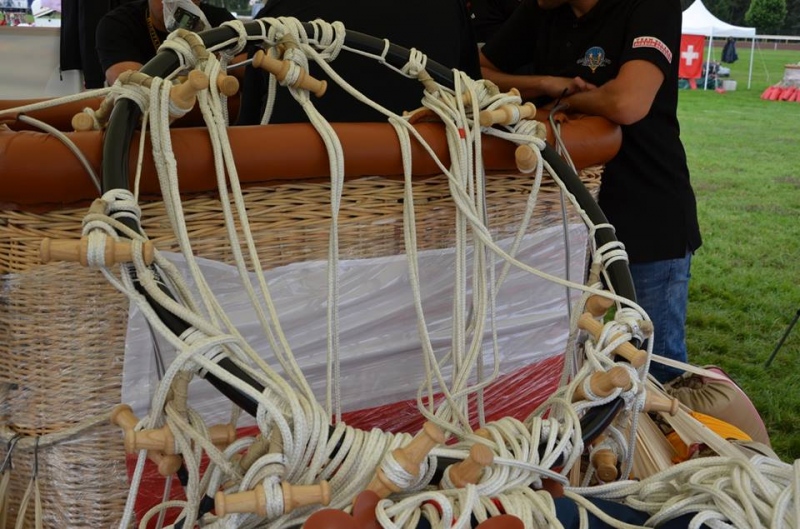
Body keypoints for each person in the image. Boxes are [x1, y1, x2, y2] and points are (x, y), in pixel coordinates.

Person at [479, 0, 702, 383]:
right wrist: (545, 85)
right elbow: (476, 72)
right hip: (560, 225)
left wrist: (560, 101)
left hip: (646, 214)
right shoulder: (543, 9)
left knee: (654, 368)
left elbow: (627, 102)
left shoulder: (651, 6)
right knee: (561, 360)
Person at [237, 0, 481, 124]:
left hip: (294, 191)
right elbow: (472, 101)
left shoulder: (284, 11)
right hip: (430, 190)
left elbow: (251, 123)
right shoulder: (450, 8)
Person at [96, 0, 236, 86]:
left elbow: (245, 67)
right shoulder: (119, 24)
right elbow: (131, 84)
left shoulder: (221, 22)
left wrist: (220, 55)